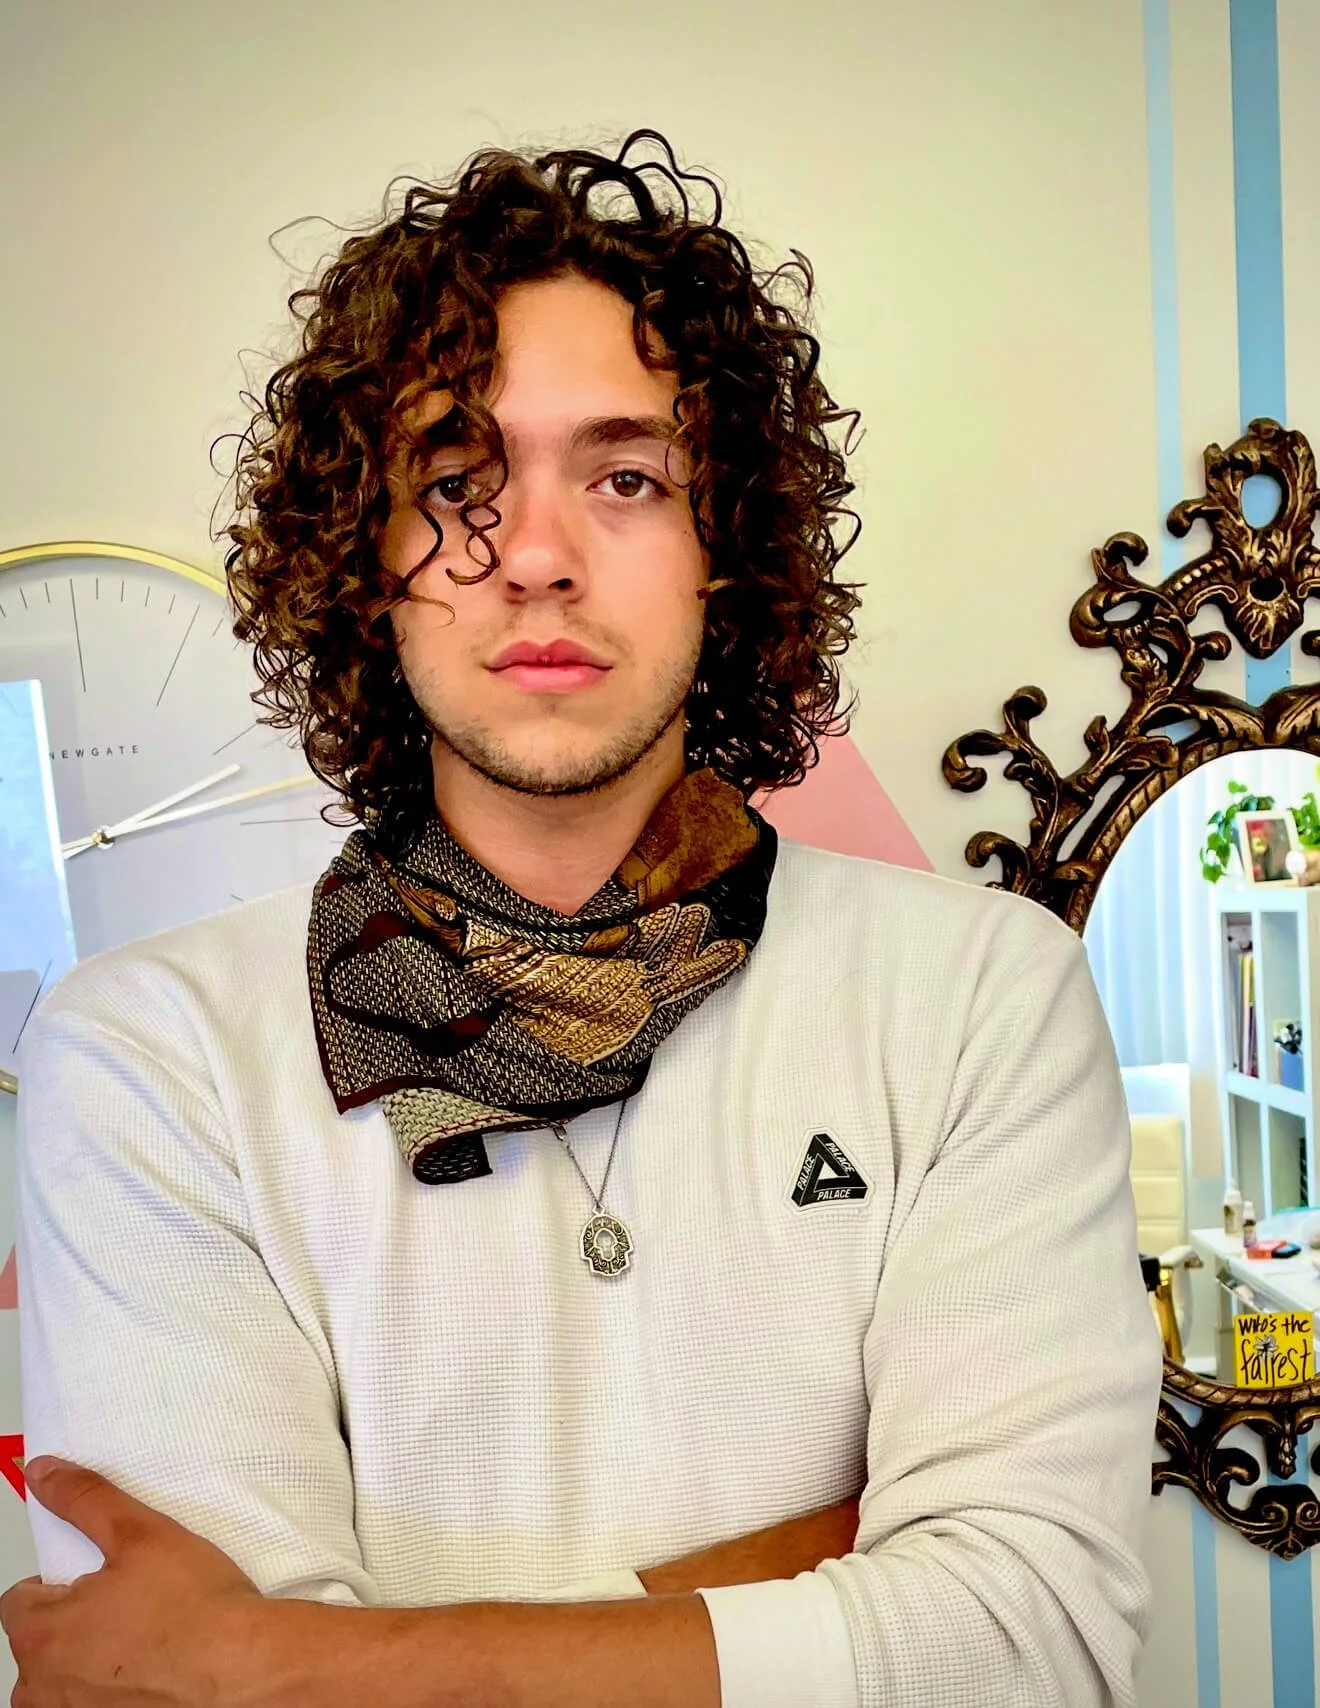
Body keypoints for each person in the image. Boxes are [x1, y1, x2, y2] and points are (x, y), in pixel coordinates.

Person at [2, 130, 1162, 1707]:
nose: (536, 558)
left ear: (725, 554)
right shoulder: (147, 1058)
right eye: (456, 482)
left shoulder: (980, 997)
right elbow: (175, 1688)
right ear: (363, 557)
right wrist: (824, 1582)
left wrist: (299, 1662)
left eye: (626, 478)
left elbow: (1040, 1644)